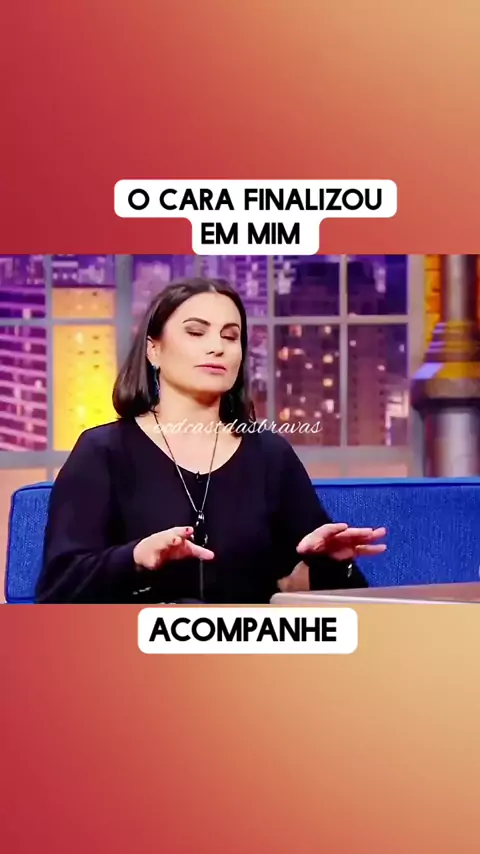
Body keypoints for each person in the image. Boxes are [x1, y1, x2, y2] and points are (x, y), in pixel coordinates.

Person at [35, 277, 386, 604]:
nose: (217, 347)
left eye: (230, 337)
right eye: (196, 332)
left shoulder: (270, 455)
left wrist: (331, 565)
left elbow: (315, 597)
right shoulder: (103, 451)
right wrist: (136, 558)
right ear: (154, 350)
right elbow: (58, 590)